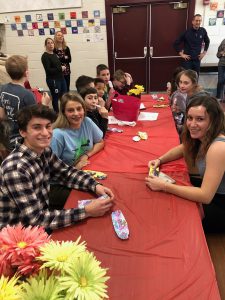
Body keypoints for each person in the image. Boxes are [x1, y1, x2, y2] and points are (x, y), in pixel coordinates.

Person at [0, 104, 114, 231]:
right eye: (37, 127)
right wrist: (87, 211)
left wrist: (95, 185)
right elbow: (36, 220)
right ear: (22, 132)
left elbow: (66, 173)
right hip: (19, 235)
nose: (45, 133)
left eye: (48, 126)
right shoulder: (16, 169)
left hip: (42, 213)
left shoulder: (44, 151)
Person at [145, 95, 225, 233]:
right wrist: (160, 160)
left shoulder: (218, 148)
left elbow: (205, 196)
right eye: (190, 118)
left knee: (173, 216)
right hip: (214, 194)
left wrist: (164, 186)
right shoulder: (202, 136)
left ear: (213, 121)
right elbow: (182, 148)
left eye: (200, 119)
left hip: (220, 204)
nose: (192, 124)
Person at [0, 55, 50, 149]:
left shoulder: (2, 88)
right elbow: (36, 120)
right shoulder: (27, 95)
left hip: (7, 138)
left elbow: (1, 116)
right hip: (21, 139)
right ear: (26, 73)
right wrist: (44, 104)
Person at [51, 92, 104, 169]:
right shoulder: (57, 135)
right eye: (70, 110)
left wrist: (86, 155)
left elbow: (100, 142)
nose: (76, 113)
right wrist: (75, 169)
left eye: (79, 109)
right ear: (64, 113)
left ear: (84, 109)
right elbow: (51, 168)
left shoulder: (87, 122)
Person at [41, 37, 67, 113]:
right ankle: (56, 114)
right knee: (55, 97)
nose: (50, 44)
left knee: (64, 96)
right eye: (48, 43)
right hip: (53, 80)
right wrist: (60, 68)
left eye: (52, 43)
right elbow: (48, 70)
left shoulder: (55, 55)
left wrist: (62, 67)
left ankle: (64, 112)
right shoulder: (45, 56)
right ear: (45, 45)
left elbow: (57, 66)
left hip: (61, 79)